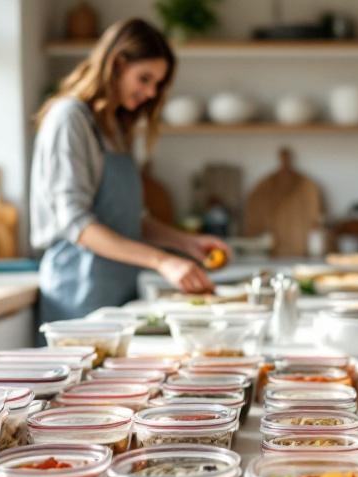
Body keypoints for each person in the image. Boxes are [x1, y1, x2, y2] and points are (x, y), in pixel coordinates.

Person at [31, 18, 227, 323]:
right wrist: (163, 261)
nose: (151, 93)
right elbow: (77, 224)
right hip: (78, 295)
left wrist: (186, 243)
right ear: (117, 64)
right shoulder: (70, 119)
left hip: (119, 293)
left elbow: (129, 219)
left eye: (157, 85)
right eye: (144, 79)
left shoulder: (116, 129)